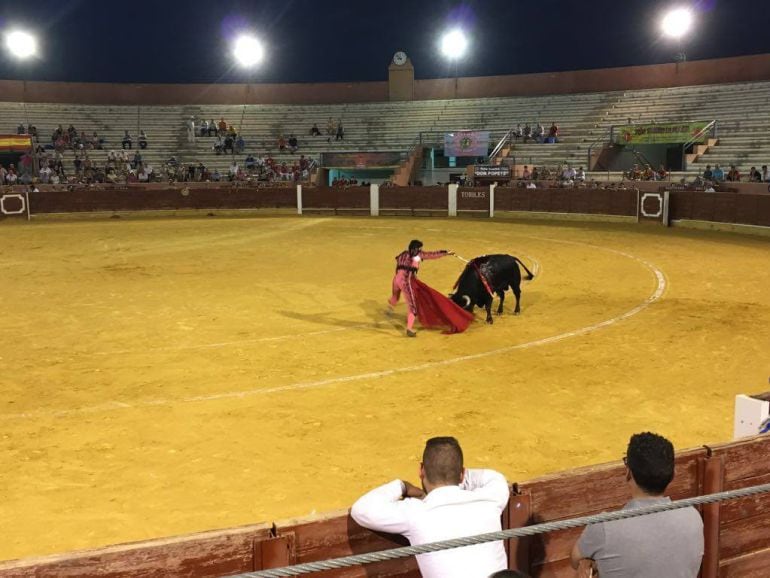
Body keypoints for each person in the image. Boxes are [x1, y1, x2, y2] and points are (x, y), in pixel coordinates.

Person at [351, 437, 510, 578]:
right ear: (462, 473)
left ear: (421, 471)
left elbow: (361, 510)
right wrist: (455, 472)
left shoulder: (417, 513)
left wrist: (402, 487)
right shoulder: (490, 499)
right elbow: (495, 478)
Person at [571, 432, 704, 577]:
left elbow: (574, 559)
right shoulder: (692, 516)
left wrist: (588, 562)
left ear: (628, 473)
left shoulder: (604, 527)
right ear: (673, 474)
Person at [387, 240, 472, 337]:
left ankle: (389, 310)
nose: (420, 250)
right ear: (416, 249)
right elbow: (432, 255)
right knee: (413, 308)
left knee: (395, 296)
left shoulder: (403, 254)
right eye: (419, 249)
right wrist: (446, 252)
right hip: (406, 282)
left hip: (396, 279)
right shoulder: (417, 256)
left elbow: (398, 260)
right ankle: (409, 329)